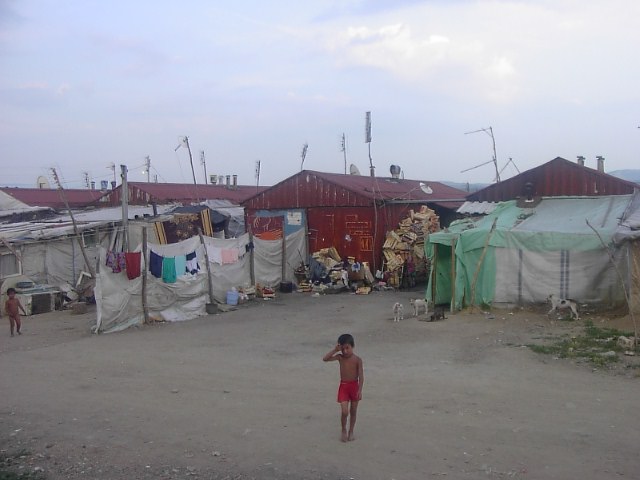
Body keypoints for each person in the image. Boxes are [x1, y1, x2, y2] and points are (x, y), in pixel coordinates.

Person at [323, 333, 364, 442]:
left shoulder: (357, 360)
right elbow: (325, 359)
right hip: (344, 386)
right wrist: (334, 350)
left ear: (352, 346)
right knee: (345, 411)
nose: (345, 351)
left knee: (353, 411)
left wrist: (360, 390)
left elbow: (361, 376)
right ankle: (343, 430)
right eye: (343, 348)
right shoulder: (340, 357)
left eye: (347, 348)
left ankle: (351, 431)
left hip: (354, 386)